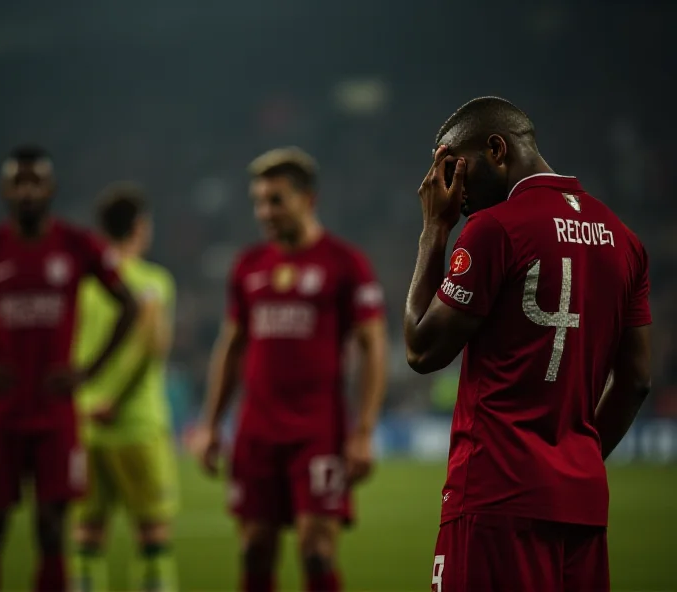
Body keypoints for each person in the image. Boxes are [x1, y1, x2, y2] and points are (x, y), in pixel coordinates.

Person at [403, 97, 652, 592]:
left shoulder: (492, 230)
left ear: (496, 149)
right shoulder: (624, 239)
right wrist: (568, 466)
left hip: (495, 499)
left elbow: (422, 350)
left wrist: (434, 229)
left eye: (454, 168)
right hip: (580, 505)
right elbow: (637, 380)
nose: (449, 189)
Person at [0, 146, 137, 592]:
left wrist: (87, 371)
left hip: (54, 414)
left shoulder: (77, 246)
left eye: (35, 182)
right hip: (1, 412)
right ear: (5, 190)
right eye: (18, 182)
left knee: (51, 532)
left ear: (51, 189)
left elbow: (130, 305)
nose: (26, 191)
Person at [196, 147, 388, 592]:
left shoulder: (345, 263)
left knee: (317, 552)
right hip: (256, 429)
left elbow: (373, 345)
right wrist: (209, 424)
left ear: (308, 199)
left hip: (317, 429)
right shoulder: (248, 265)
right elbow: (232, 345)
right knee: (253, 550)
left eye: (276, 200)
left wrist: (363, 431)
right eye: (259, 201)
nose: (264, 211)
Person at [71, 183, 179, 592]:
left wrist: (85, 402)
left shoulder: (81, 283)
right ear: (140, 227)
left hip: (85, 425)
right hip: (136, 423)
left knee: (87, 534)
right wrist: (114, 400)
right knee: (153, 535)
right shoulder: (153, 282)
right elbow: (154, 351)